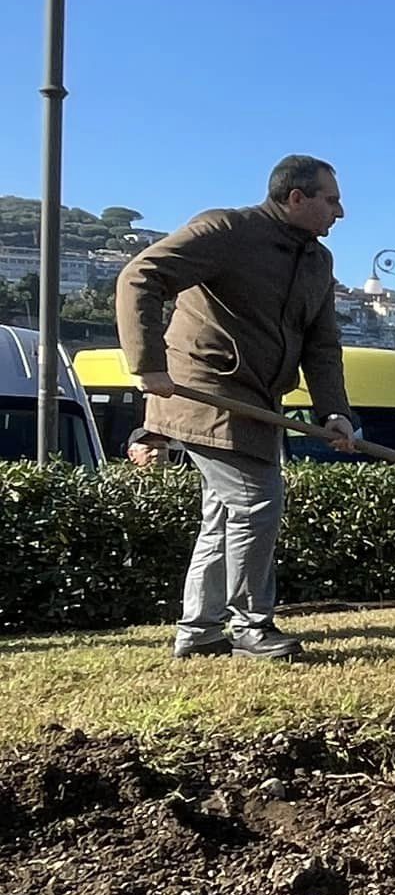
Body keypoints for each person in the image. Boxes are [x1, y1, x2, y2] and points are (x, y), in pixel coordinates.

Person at [115, 155, 357, 660]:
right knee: (255, 501)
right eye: (331, 200)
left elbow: (322, 344)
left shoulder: (318, 262)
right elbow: (141, 276)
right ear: (296, 197)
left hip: (260, 400)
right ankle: (250, 626)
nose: (341, 212)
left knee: (226, 514)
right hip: (205, 391)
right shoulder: (226, 230)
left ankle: (200, 631)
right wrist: (148, 363)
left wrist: (334, 412)